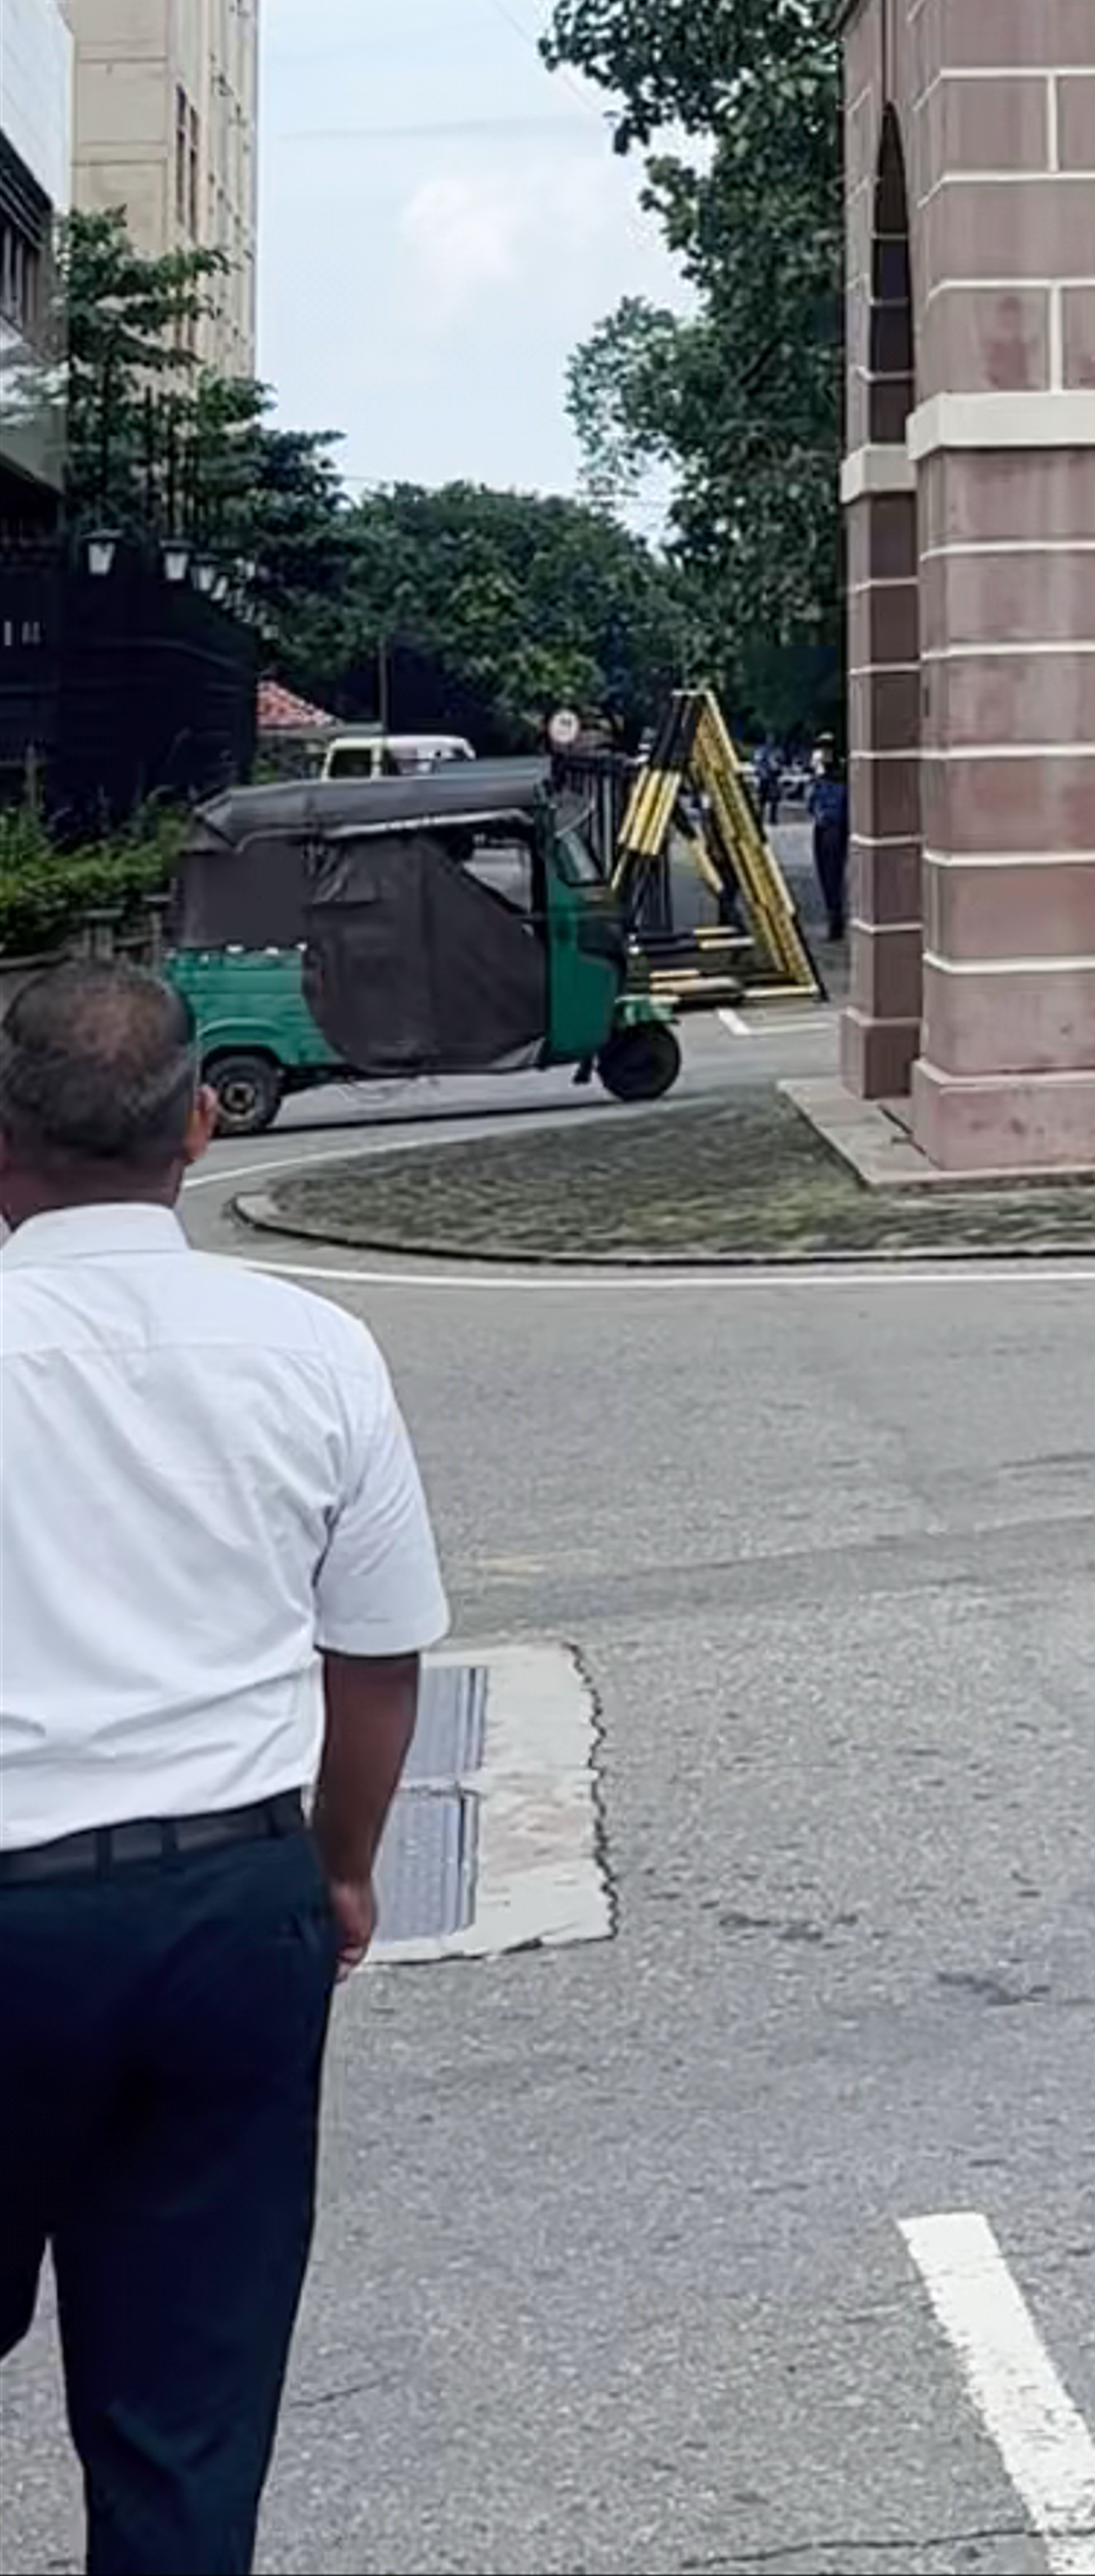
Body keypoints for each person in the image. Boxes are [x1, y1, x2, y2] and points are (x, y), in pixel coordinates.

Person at [1, 960, 450, 2576]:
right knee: (183, 2420)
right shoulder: (313, 1345)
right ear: (199, 1122)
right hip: (226, 1901)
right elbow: (376, 1654)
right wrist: (340, 1867)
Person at [807, 747, 849, 944]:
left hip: (830, 830)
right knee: (830, 876)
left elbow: (813, 806)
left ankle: (835, 919)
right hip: (829, 829)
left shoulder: (829, 784)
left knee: (830, 876)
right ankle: (835, 917)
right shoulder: (832, 783)